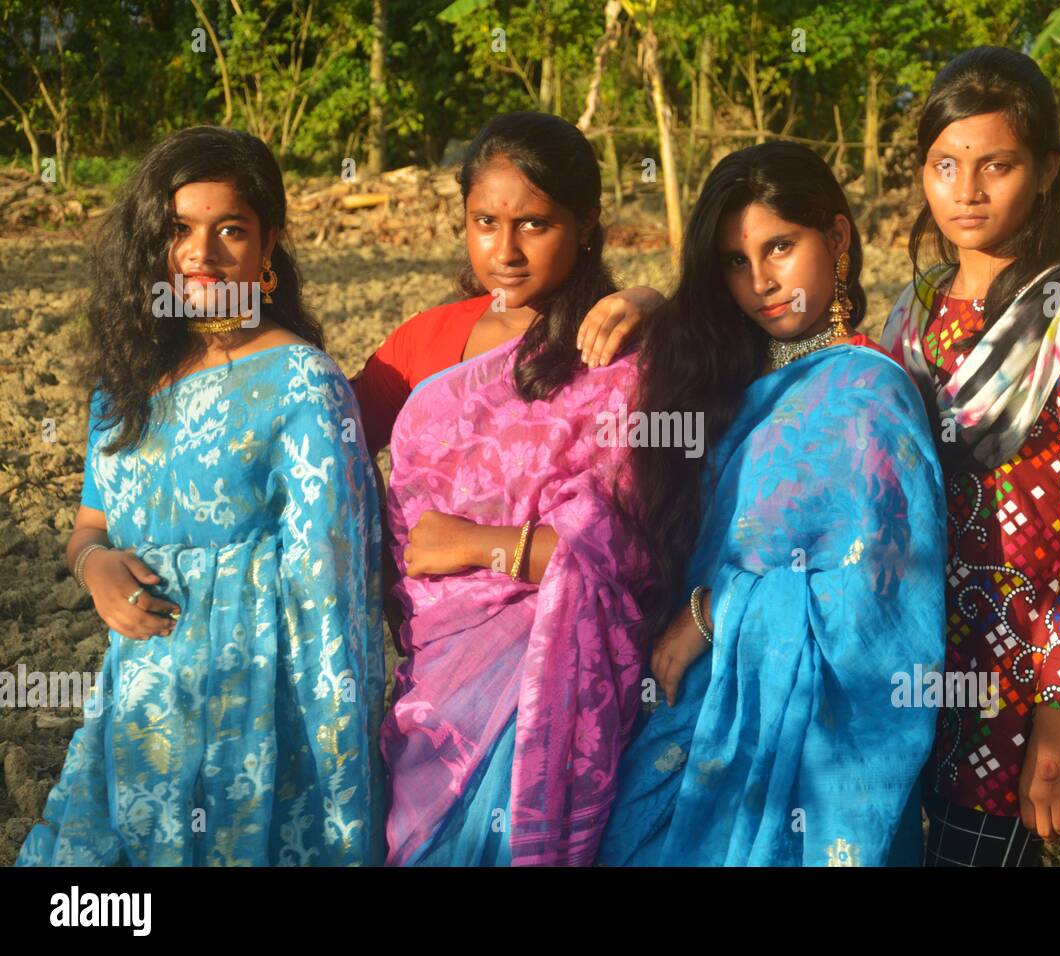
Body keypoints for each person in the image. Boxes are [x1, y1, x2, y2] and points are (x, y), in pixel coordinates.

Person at [16, 126, 386, 867]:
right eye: (180, 229)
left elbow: (331, 591)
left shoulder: (302, 384)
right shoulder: (123, 385)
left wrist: (335, 770)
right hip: (143, 703)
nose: (202, 254)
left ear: (268, 246)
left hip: (252, 719)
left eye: (231, 230)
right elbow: (89, 527)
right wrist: (95, 570)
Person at [598, 142, 947, 867]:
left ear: (839, 239)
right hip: (688, 711)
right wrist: (646, 301)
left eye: (780, 247)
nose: (760, 281)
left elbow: (877, 611)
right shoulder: (727, 378)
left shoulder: (868, 395)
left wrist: (714, 614)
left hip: (805, 750)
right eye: (734, 260)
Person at [880, 47, 1060, 867]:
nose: (965, 192)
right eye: (944, 165)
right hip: (909, 663)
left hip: (1018, 682)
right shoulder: (916, 311)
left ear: (1045, 170)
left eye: (995, 166)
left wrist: (1057, 718)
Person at [381, 111, 653, 867]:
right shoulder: (428, 339)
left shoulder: (622, 352)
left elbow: (630, 549)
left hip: (556, 671)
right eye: (484, 221)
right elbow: (314, 434)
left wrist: (475, 545)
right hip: (436, 678)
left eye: (533, 224)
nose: (503, 250)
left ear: (585, 224)